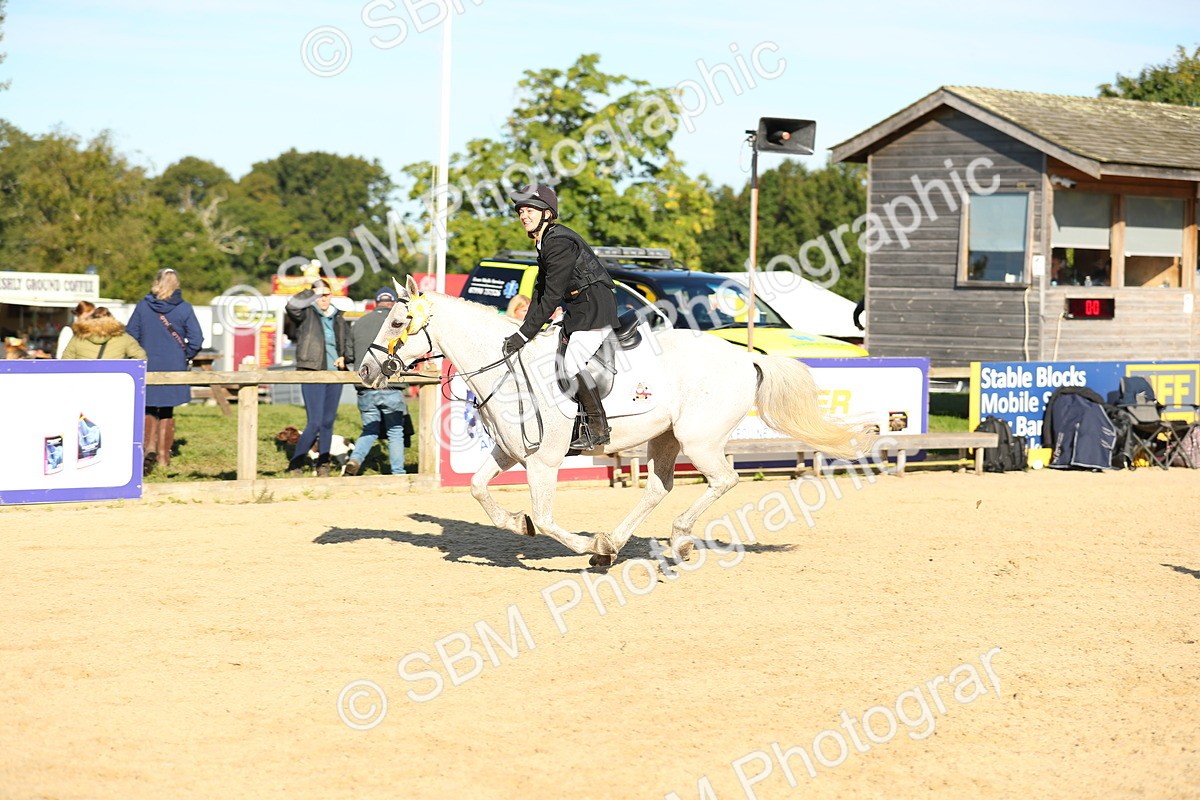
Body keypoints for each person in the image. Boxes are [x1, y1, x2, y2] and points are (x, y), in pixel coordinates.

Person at [502, 184, 620, 450]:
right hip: (578, 307)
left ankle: (598, 427)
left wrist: (523, 336)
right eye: (521, 211)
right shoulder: (545, 241)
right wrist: (522, 328)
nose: (523, 215)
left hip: (594, 307)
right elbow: (540, 290)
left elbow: (552, 296)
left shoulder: (558, 242)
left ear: (547, 213)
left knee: (572, 364)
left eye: (530, 210)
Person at [127, 268, 203, 476]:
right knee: (167, 408)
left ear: (156, 282)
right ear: (176, 284)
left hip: (147, 363)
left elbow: (131, 335)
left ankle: (147, 450)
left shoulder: (143, 307)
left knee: (148, 407)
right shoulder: (184, 308)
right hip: (174, 364)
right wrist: (184, 354)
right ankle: (163, 456)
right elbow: (196, 339)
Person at [284, 278, 351, 477]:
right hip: (312, 370)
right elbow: (291, 306)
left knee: (328, 421)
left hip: (334, 374)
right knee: (314, 422)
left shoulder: (338, 317)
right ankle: (296, 462)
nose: (323, 298)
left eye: (326, 294)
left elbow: (347, 342)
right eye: (319, 295)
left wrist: (345, 357)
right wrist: (311, 292)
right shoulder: (306, 313)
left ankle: (323, 462)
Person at [344, 286, 411, 476]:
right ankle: (398, 472)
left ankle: (355, 460)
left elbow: (349, 355)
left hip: (366, 387)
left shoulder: (359, 323)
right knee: (395, 431)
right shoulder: (398, 323)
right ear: (393, 305)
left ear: (375, 303)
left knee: (370, 429)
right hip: (392, 386)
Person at [61, 307, 147, 360]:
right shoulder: (124, 337)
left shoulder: (79, 337)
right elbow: (141, 357)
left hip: (84, 385)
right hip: (114, 385)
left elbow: (66, 362)